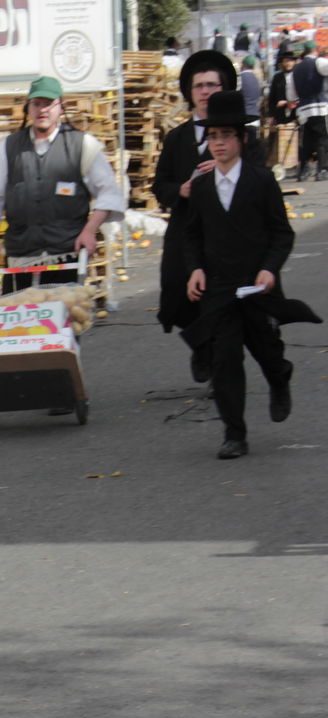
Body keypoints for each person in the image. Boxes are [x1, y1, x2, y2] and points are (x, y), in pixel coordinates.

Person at [183, 90, 310, 460]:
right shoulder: (203, 187)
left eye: (226, 135)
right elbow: (192, 235)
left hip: (257, 285)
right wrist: (194, 270)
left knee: (264, 347)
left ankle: (279, 374)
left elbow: (281, 233)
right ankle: (234, 433)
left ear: (242, 138)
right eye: (213, 136)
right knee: (225, 359)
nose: (218, 143)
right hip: (219, 288)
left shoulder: (260, 181)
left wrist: (269, 269)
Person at [153, 50, 259, 381]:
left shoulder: (244, 136)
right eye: (198, 85)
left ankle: (223, 360)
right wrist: (182, 190)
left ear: (224, 88)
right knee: (177, 288)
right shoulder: (178, 138)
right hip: (187, 230)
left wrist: (231, 168)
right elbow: (160, 186)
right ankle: (201, 346)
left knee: (226, 298)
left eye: (212, 84)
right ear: (190, 92)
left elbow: (262, 178)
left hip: (230, 234)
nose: (205, 91)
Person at [0, 76, 125, 295]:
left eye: (48, 104)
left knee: (62, 323)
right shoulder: (9, 148)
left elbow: (108, 192)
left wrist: (90, 230)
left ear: (61, 107)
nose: (42, 110)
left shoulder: (82, 144)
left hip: (66, 254)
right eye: (36, 104)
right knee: (16, 324)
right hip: (20, 256)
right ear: (28, 108)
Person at [288, 45, 328, 180]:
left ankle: (304, 171)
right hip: (319, 107)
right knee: (321, 139)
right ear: (315, 50)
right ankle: (322, 169)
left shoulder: (295, 70)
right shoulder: (319, 62)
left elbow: (291, 95)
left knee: (306, 141)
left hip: (303, 111)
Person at [266, 52, 297, 167]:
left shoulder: (297, 75)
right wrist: (271, 115)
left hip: (295, 111)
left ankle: (294, 162)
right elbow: (272, 97)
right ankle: (278, 162)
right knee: (278, 137)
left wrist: (292, 103)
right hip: (280, 112)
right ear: (282, 62)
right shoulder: (277, 77)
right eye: (286, 61)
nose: (288, 63)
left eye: (290, 60)